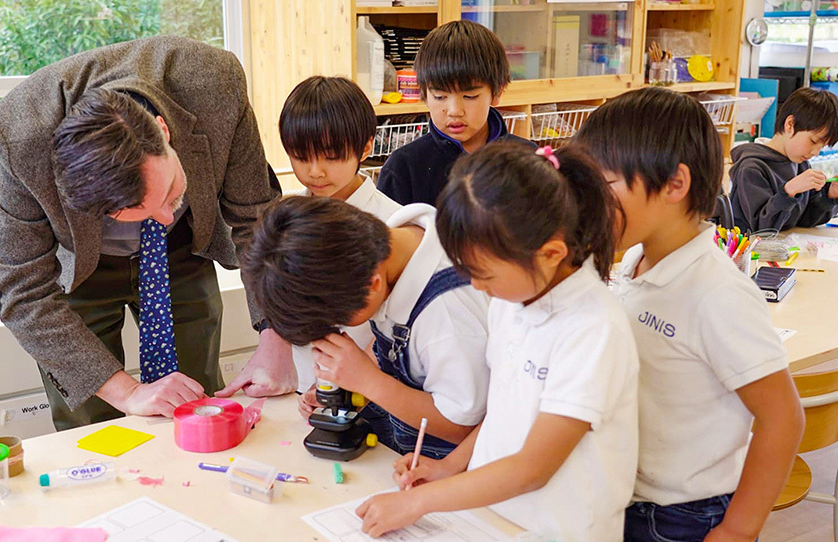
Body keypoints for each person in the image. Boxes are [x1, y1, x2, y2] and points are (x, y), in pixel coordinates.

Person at [0, 36, 293, 431]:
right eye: (136, 212)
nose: (162, 217)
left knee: (197, 409)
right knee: (91, 426)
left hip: (180, 253)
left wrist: (276, 336)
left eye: (170, 191)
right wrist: (127, 393)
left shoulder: (215, 84)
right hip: (79, 268)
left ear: (163, 131)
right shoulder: (20, 139)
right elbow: (22, 291)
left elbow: (258, 218)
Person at [356, 143, 639, 542]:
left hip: (561, 527)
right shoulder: (513, 297)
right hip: (495, 517)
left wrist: (421, 501)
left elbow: (531, 469)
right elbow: (508, 405)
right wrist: (450, 466)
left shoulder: (592, 329)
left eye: (483, 274)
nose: (474, 285)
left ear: (550, 254)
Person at [576, 87, 805, 541]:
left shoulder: (717, 292)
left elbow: (783, 418)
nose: (591, 202)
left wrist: (739, 530)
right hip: (621, 492)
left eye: (604, 186)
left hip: (681, 514)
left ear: (674, 185)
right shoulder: (634, 259)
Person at [241, 197, 489, 459]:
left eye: (338, 320)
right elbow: (396, 342)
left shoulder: (448, 319)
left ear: (373, 284)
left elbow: (463, 426)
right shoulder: (389, 249)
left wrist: (369, 382)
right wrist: (350, 387)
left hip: (464, 469)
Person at [276, 75, 401, 397]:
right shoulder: (287, 220)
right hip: (299, 386)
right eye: (301, 157)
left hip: (372, 390)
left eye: (331, 157)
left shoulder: (394, 225)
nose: (315, 171)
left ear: (366, 147)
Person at [376, 19, 535, 207]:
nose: (454, 111)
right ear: (425, 95)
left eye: (469, 96)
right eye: (440, 96)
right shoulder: (404, 167)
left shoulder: (530, 161)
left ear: (497, 92)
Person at [730, 87, 838, 232]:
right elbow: (762, 228)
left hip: (785, 247)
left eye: (822, 147)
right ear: (790, 124)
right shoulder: (751, 167)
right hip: (751, 252)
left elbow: (804, 218)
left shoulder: (800, 163)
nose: (815, 152)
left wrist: (830, 195)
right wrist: (789, 190)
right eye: (813, 141)